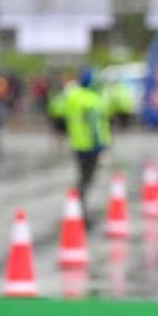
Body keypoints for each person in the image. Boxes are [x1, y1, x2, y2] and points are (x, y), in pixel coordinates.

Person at [61, 67, 110, 216]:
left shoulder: (73, 97)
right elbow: (95, 127)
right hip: (91, 146)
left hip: (77, 144)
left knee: (82, 176)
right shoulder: (92, 100)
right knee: (87, 178)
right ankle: (78, 204)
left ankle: (76, 202)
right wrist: (101, 147)